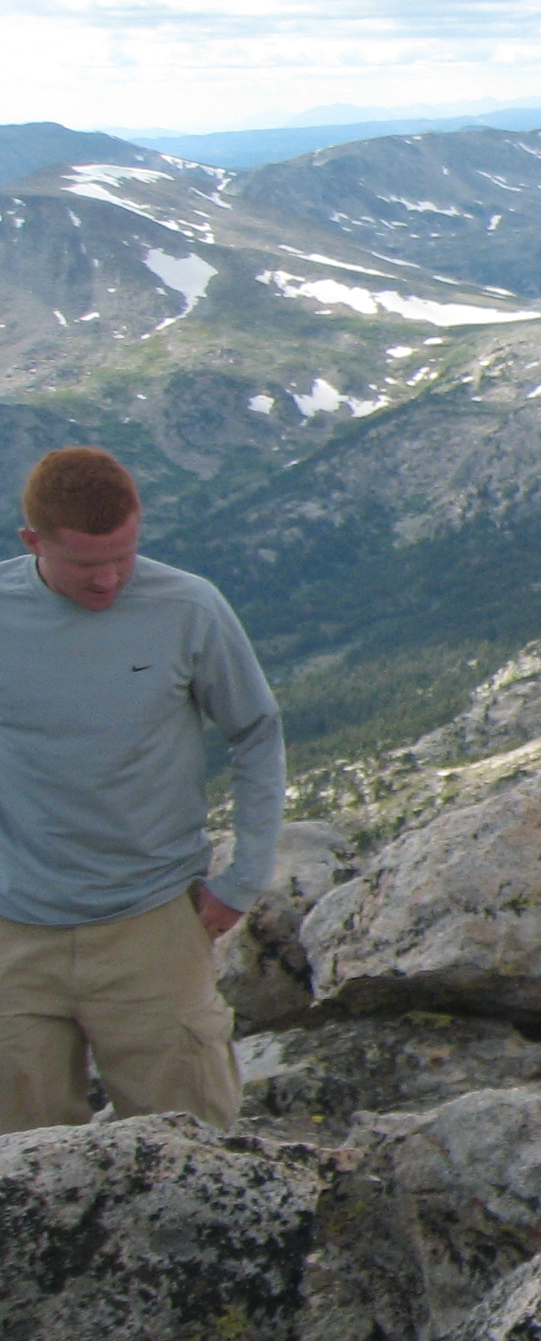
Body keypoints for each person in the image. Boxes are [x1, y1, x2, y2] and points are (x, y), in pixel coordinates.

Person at [1, 447, 285, 1133]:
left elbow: (255, 732)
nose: (108, 580)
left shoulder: (189, 606)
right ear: (32, 542)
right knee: (20, 1168)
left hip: (154, 924)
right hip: (13, 934)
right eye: (85, 564)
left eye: (123, 556)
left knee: (197, 1147)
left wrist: (242, 879)